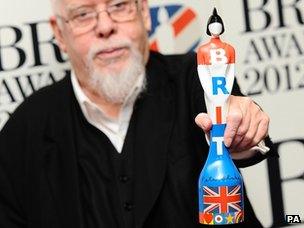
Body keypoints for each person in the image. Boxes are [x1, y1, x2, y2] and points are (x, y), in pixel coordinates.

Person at [0, 0, 277, 227]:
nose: (106, 26)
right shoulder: (26, 128)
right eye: (83, 14)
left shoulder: (197, 77)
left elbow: (234, 122)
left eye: (119, 6)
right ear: (59, 33)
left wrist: (241, 133)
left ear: (144, 13)